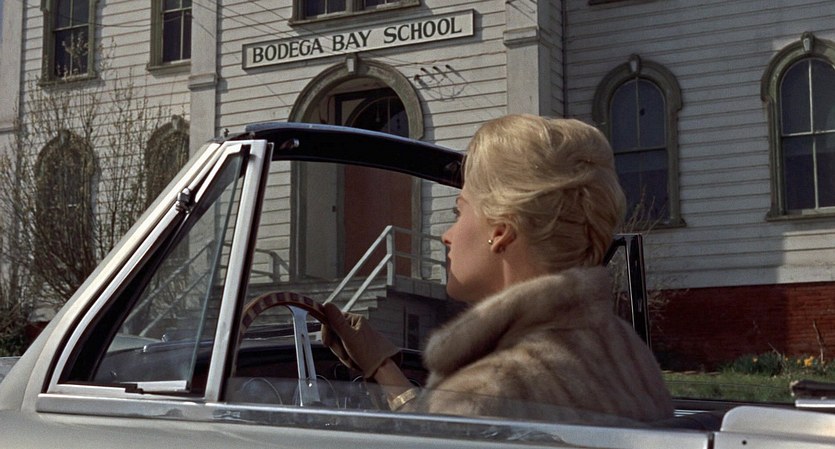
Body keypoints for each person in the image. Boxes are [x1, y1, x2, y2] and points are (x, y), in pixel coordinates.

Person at [322, 114, 674, 425]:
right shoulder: (629, 354)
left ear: (501, 231)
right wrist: (382, 366)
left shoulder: (490, 388)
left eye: (459, 212)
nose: (447, 235)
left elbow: (442, 431)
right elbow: (437, 430)